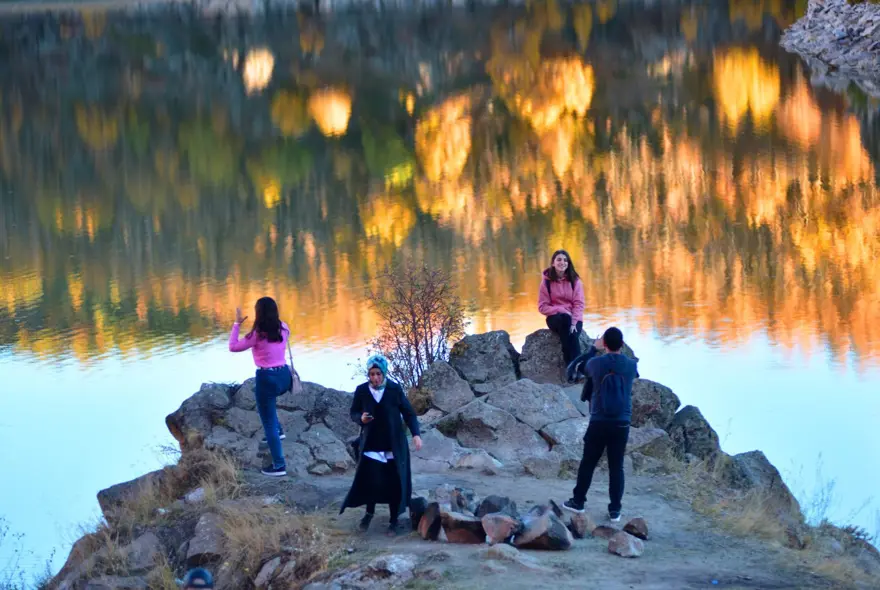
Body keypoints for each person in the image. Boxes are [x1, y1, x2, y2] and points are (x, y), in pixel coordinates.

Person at [339, 354, 423, 536]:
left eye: (378, 374)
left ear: (384, 373)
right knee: (371, 481)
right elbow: (353, 412)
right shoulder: (362, 390)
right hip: (371, 444)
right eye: (372, 374)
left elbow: (409, 413)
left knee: (394, 482)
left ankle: (393, 520)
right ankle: (369, 513)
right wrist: (360, 419)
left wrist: (416, 434)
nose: (375, 378)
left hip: (393, 444)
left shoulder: (394, 389)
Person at [563, 327, 639, 522]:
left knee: (588, 462)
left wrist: (592, 349)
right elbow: (635, 374)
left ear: (604, 344)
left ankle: (578, 502)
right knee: (617, 467)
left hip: (599, 421)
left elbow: (576, 367)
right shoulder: (631, 365)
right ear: (622, 344)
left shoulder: (595, 363)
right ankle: (615, 510)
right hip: (622, 423)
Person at [229, 297, 293, 477]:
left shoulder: (257, 334)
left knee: (268, 423)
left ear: (258, 313)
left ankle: (279, 465)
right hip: (284, 377)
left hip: (267, 379)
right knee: (269, 410)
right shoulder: (284, 328)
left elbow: (233, 347)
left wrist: (237, 324)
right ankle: (278, 430)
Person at [538, 249, 586, 368]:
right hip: (555, 318)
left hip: (574, 317)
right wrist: (560, 310)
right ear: (553, 263)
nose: (562, 262)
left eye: (565, 260)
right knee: (565, 320)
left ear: (568, 264)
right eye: (559, 259)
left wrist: (574, 323)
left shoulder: (575, 281)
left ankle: (571, 367)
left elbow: (579, 304)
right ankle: (578, 368)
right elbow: (542, 307)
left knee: (572, 334)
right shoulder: (546, 283)